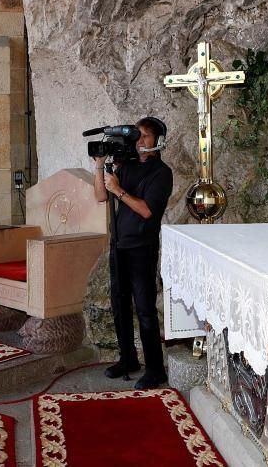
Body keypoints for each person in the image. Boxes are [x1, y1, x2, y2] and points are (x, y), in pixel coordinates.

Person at [92, 117, 173, 390]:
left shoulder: (161, 173)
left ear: (158, 140)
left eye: (146, 136)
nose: (139, 141)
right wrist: (100, 165)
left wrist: (119, 190)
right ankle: (128, 359)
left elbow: (148, 211)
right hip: (119, 245)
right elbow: (101, 197)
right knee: (119, 305)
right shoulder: (125, 166)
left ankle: (155, 369)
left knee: (145, 309)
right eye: (137, 135)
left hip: (142, 247)